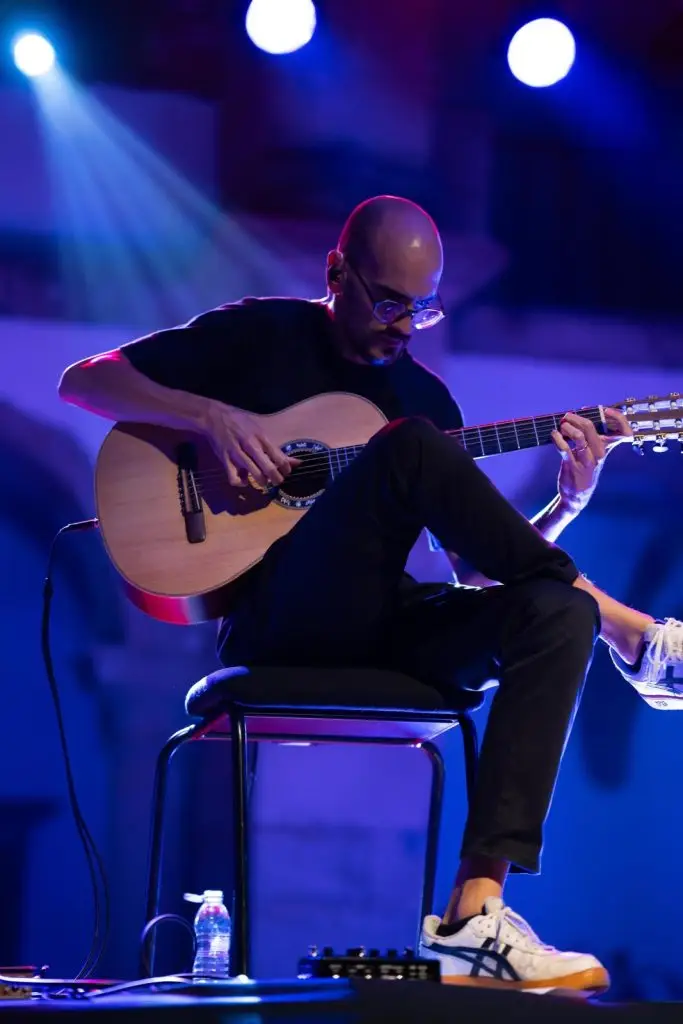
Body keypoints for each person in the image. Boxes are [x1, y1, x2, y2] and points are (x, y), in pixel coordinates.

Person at [59, 195, 683, 994]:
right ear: (336, 273)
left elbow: (475, 575)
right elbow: (87, 382)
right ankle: (634, 634)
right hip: (280, 619)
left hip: (382, 621)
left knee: (553, 609)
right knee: (404, 445)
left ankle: (475, 916)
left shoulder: (425, 398)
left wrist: (565, 505)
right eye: (389, 303)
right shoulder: (263, 333)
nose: (402, 326)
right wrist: (210, 416)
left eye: (422, 311)